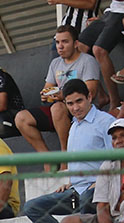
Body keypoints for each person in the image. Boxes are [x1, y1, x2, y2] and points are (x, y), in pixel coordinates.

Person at [20, 79, 114, 223]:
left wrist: (99, 182)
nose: (75, 108)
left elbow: (115, 160)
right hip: (76, 190)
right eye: (70, 103)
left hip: (100, 189)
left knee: (86, 199)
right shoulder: (74, 126)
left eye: (79, 101)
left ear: (89, 97)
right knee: (32, 208)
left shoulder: (105, 122)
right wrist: (71, 182)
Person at [16, 25, 104, 158]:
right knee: (21, 118)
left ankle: (66, 156)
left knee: (57, 108)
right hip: (57, 110)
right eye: (57, 42)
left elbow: (91, 91)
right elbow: (48, 87)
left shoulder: (87, 60)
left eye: (65, 42)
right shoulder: (55, 63)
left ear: (75, 44)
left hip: (79, 110)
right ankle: (47, 158)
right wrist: (46, 94)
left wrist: (62, 95)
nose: (60, 46)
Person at [76, 0, 124, 109]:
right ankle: (101, 94)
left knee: (98, 50)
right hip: (109, 13)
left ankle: (114, 100)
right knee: (78, 48)